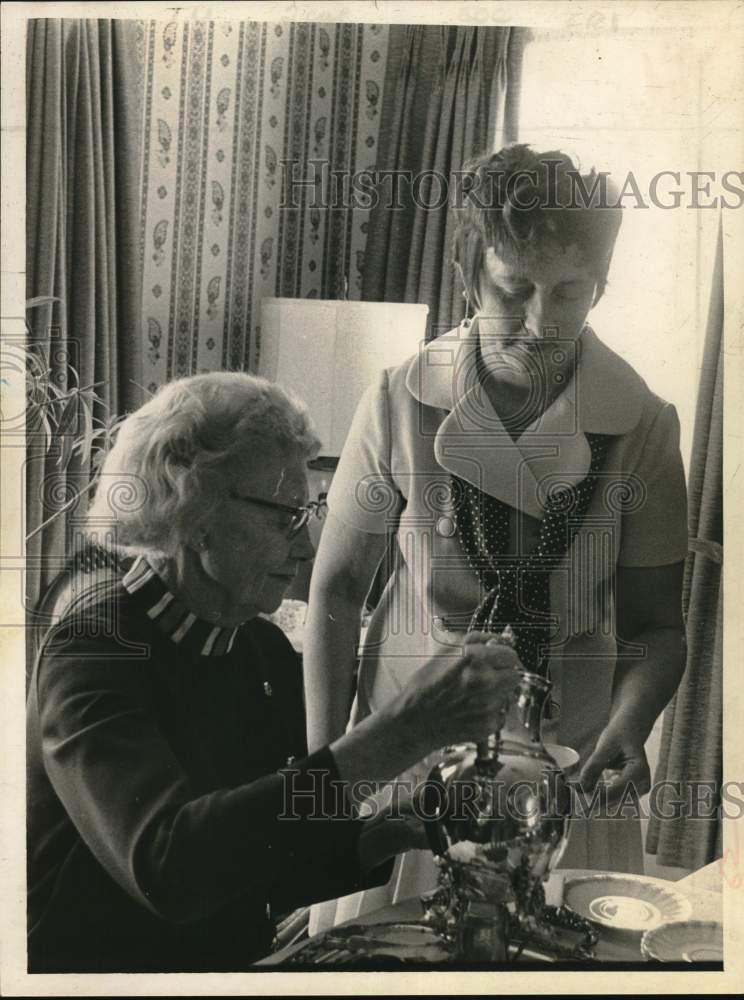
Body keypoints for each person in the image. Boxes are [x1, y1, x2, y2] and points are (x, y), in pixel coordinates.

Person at [303, 145, 689, 929]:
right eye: (513, 290)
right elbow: (339, 590)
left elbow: (656, 628)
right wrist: (325, 770)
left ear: (600, 287)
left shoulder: (644, 425)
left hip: (571, 764)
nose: (542, 322)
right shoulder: (397, 398)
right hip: (405, 746)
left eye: (569, 291)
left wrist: (632, 724)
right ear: (469, 277)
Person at [26, 372, 519, 973]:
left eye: (309, 512)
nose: (308, 547)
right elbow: (172, 869)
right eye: (285, 515)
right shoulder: (94, 650)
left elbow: (260, 856)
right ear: (195, 509)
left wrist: (392, 830)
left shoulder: (257, 648)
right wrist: (403, 731)